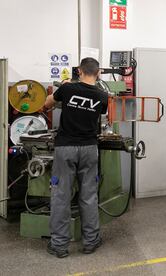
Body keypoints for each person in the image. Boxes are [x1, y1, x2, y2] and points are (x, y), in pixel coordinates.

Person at [44, 57, 108, 258]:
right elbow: (101, 113)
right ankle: (90, 241)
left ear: (79, 71)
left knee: (61, 196)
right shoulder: (103, 95)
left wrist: (63, 87)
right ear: (98, 73)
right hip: (90, 148)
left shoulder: (68, 89)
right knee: (89, 196)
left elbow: (47, 104)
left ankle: (59, 245)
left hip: (66, 148)